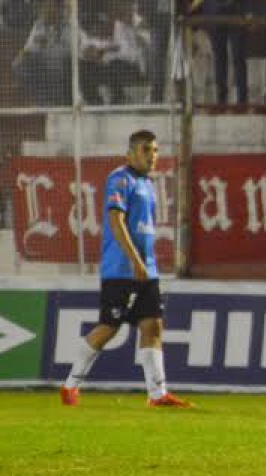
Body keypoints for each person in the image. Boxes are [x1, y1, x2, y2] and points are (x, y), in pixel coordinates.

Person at [60, 130, 191, 409]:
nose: (152, 155)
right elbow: (116, 222)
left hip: (146, 269)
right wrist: (134, 260)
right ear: (130, 153)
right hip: (121, 269)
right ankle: (70, 385)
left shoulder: (147, 184)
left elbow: (143, 229)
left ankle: (157, 394)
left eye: (155, 150)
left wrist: (149, 259)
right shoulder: (120, 179)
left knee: (153, 325)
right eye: (146, 150)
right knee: (109, 327)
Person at [11, 0, 71, 106]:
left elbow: (70, 47)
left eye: (50, 7)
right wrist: (27, 51)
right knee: (17, 64)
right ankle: (40, 98)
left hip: (61, 60)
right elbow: (29, 47)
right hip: (41, 60)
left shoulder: (68, 25)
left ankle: (55, 101)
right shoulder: (39, 24)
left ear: (59, 9)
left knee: (53, 56)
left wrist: (51, 44)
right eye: (46, 7)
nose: (46, 10)